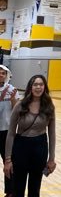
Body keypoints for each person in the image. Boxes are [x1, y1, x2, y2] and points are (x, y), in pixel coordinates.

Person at [4, 75, 56, 197]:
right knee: (18, 188)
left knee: (35, 188)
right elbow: (11, 133)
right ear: (30, 87)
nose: (38, 87)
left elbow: (52, 134)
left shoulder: (49, 107)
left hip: (40, 147)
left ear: (45, 87)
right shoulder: (20, 105)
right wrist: (7, 160)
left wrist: (51, 159)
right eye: (35, 84)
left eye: (41, 84)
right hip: (21, 147)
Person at [0, 65, 19, 197]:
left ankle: (10, 192)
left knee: (8, 162)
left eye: (3, 73)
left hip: (6, 132)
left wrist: (12, 99)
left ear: (6, 75)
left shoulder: (12, 90)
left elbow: (17, 110)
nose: (1, 75)